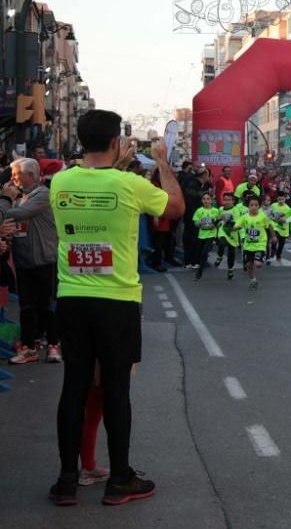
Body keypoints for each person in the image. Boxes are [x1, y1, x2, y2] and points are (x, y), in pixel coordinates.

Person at [49, 110, 183, 507]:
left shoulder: (60, 181)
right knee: (116, 389)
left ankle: (67, 480)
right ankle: (120, 478)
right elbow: (174, 207)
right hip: (117, 300)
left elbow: (98, 181)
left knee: (74, 387)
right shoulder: (128, 185)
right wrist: (161, 160)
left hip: (71, 297)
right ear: (114, 142)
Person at [0, 157, 59, 364]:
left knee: (47, 306)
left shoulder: (42, 195)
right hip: (23, 260)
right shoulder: (18, 196)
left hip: (44, 259)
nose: (14, 179)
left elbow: (18, 213)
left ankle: (53, 346)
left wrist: (4, 201)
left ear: (31, 176)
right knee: (26, 308)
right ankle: (28, 348)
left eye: (17, 175)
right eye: (13, 175)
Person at [234, 194, 275, 290]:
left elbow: (270, 226)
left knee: (258, 264)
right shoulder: (244, 217)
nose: (253, 207)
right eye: (251, 205)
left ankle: (263, 256)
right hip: (248, 245)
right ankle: (253, 280)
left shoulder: (262, 216)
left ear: (259, 206)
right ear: (248, 206)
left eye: (256, 205)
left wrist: (273, 236)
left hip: (260, 244)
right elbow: (238, 225)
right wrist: (234, 228)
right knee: (248, 265)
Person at [191, 192, 218, 281]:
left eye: (208, 199)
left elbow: (219, 222)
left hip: (211, 234)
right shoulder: (199, 211)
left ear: (211, 200)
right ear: (202, 201)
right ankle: (201, 267)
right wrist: (199, 223)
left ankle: (199, 272)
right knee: (200, 253)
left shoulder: (215, 211)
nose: (206, 201)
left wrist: (216, 223)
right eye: (204, 199)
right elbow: (195, 223)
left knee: (204, 253)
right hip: (202, 235)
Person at [215, 192, 242, 280]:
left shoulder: (235, 210)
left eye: (229, 200)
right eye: (225, 200)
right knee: (222, 243)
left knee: (231, 252)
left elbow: (237, 223)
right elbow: (217, 220)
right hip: (223, 231)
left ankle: (230, 269)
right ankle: (220, 256)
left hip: (232, 233)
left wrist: (226, 220)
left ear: (233, 201)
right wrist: (218, 222)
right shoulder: (221, 209)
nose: (226, 202)